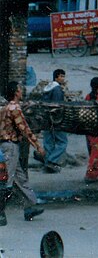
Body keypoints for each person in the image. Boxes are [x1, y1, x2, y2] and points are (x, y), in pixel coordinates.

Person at [0, 80, 45, 225]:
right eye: (19, 89)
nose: (21, 91)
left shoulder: (5, 107)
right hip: (11, 146)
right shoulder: (14, 108)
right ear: (16, 92)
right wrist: (38, 146)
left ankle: (30, 205)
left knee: (19, 177)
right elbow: (24, 129)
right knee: (7, 180)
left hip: (8, 146)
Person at [41, 68, 69, 172]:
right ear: (56, 77)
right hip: (56, 120)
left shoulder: (47, 88)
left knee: (48, 142)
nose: (63, 78)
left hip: (45, 119)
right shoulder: (57, 89)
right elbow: (58, 106)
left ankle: (48, 163)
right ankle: (51, 161)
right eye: (61, 76)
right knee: (62, 142)